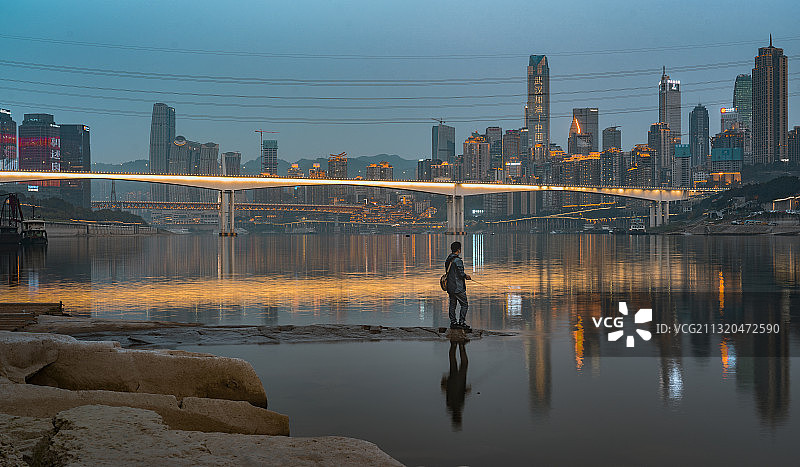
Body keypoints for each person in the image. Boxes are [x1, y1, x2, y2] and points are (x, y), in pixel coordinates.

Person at [445, 241, 471, 331]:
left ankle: (453, 323)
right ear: (459, 249)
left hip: (450, 286)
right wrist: (466, 276)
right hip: (458, 287)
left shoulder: (448, 259)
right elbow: (461, 274)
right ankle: (462, 322)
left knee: (452, 305)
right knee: (464, 304)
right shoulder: (458, 260)